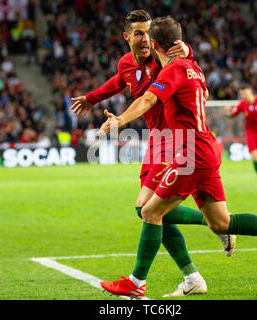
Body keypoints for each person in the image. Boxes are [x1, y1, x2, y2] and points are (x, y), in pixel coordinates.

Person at [97, 16, 257, 298]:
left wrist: (121, 120)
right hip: (206, 147)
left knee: (150, 212)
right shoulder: (194, 67)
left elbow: (149, 99)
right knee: (220, 223)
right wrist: (186, 50)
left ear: (154, 43)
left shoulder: (172, 71)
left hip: (192, 153)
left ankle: (137, 283)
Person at [71, 9, 235, 297]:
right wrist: (91, 98)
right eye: (138, 33)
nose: (145, 39)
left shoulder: (162, 62)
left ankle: (213, 230)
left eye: (148, 33)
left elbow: (183, 61)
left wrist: (188, 49)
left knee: (150, 211)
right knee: (148, 211)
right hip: (155, 141)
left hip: (175, 140)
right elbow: (117, 82)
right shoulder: (126, 64)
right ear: (127, 37)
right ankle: (195, 270)